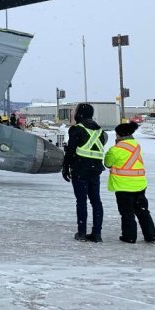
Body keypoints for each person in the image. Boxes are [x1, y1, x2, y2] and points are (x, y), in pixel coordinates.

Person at [104, 121, 155, 244]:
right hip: (139, 184)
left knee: (127, 213)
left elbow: (107, 163)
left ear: (120, 135)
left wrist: (114, 148)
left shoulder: (115, 149)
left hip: (123, 185)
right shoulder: (137, 146)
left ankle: (129, 236)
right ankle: (151, 235)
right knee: (143, 211)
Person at [62, 103, 107, 242]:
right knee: (96, 201)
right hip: (95, 170)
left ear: (79, 113)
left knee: (81, 201)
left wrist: (65, 167)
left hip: (80, 169)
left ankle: (81, 233)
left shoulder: (77, 129)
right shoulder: (99, 130)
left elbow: (70, 150)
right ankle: (97, 233)